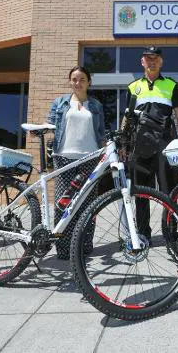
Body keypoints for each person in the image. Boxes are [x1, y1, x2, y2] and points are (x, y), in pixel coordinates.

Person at [126, 47, 178, 243]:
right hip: (139, 144)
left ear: (161, 62)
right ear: (142, 62)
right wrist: (123, 143)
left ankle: (171, 231)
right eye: (147, 59)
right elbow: (127, 118)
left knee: (169, 191)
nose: (151, 62)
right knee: (141, 192)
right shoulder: (133, 87)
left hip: (164, 143)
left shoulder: (171, 85)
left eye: (155, 59)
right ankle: (143, 233)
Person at [47, 65, 106, 260]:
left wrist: (106, 152)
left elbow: (101, 133)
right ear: (70, 82)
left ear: (89, 82)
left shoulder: (96, 105)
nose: (78, 83)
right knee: (62, 203)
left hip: (90, 158)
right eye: (74, 79)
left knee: (88, 204)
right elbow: (50, 125)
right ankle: (63, 247)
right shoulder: (60, 103)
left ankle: (85, 245)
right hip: (64, 157)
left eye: (82, 79)